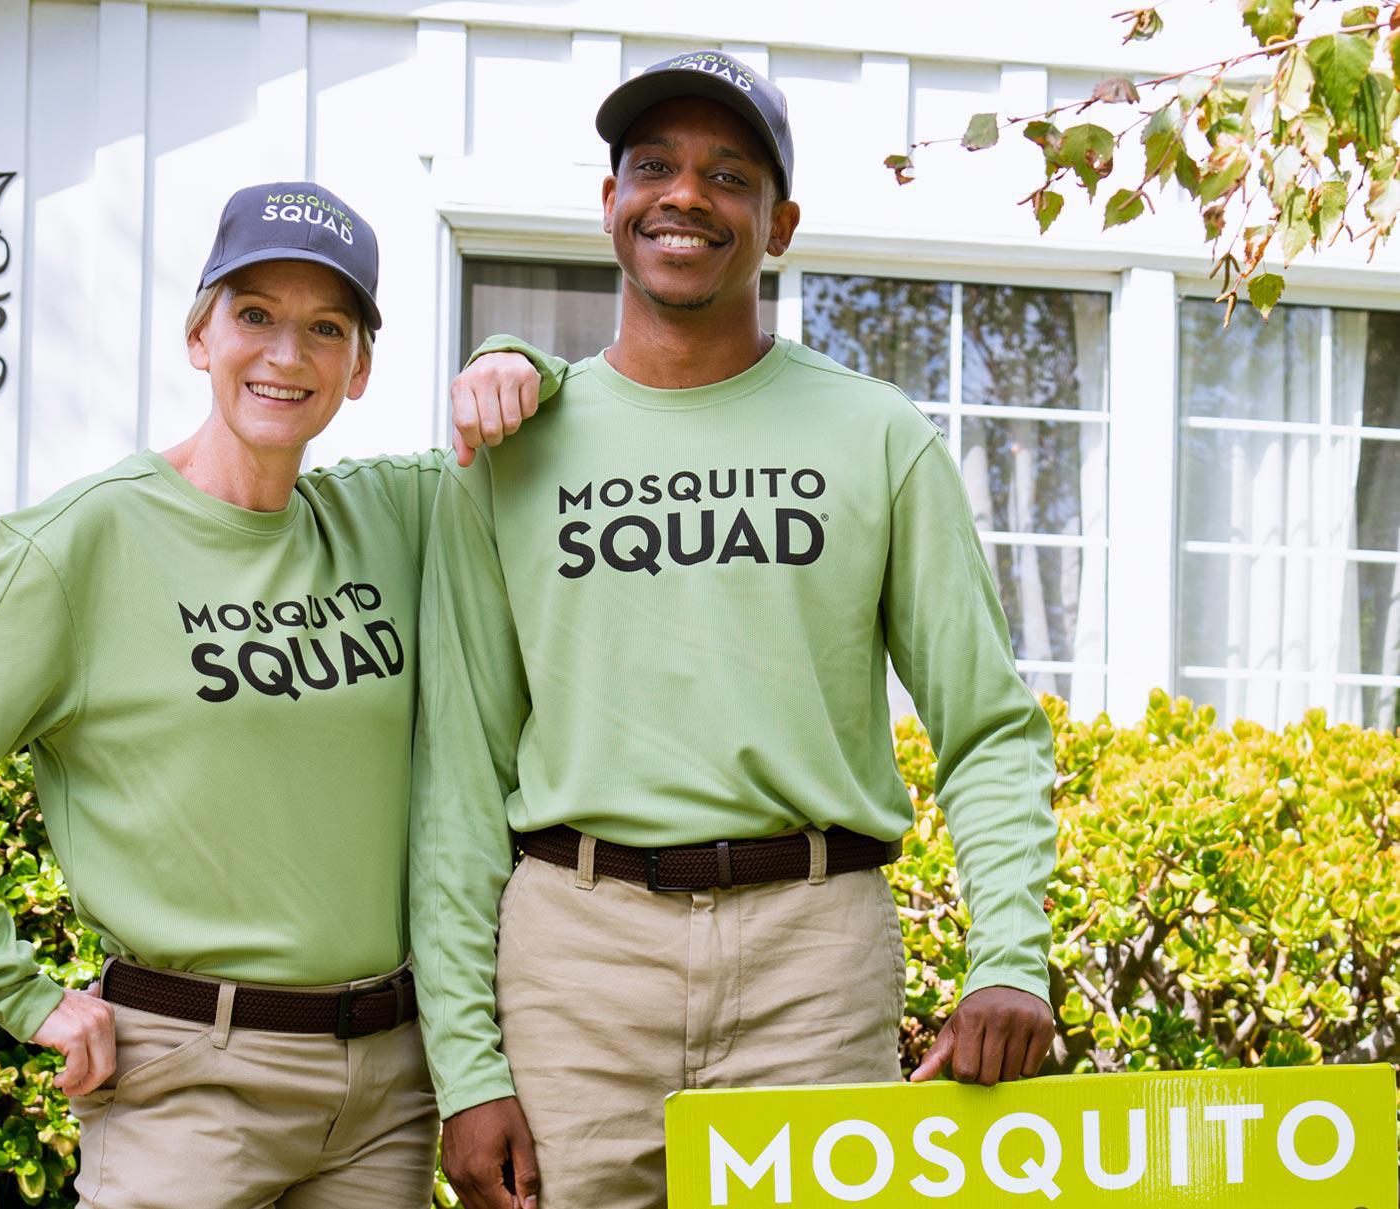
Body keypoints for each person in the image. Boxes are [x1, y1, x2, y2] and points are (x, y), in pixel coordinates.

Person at [412, 50, 1061, 1209]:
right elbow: (457, 772)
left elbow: (986, 728)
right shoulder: (507, 453)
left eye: (728, 175)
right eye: (652, 166)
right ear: (607, 204)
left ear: (780, 223)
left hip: (811, 956)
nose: (685, 196)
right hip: (577, 955)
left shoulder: (876, 437)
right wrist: (467, 1069)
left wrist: (1009, 959)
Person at [0, 180, 534, 1208]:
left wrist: (515, 354)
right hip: (190, 1084)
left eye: (324, 327)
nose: (286, 356)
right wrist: (12, 989)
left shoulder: (393, 516)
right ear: (200, 336)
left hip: (383, 1084)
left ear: (361, 367)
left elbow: (529, 444)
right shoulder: (85, 543)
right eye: (254, 316)